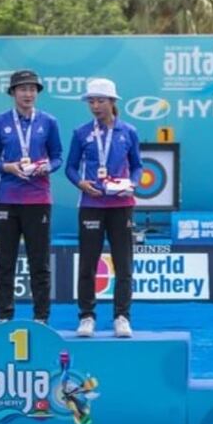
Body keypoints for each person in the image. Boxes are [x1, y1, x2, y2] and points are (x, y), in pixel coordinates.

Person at [65, 78, 142, 338]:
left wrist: (131, 183)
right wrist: (81, 183)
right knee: (87, 263)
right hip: (91, 204)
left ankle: (122, 316)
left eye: (100, 101)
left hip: (121, 205)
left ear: (112, 102)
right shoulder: (81, 132)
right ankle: (86, 316)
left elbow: (139, 166)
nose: (95, 106)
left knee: (124, 264)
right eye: (91, 101)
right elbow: (70, 167)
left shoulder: (128, 131)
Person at [0, 70, 63, 324]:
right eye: (23, 89)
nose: (28, 94)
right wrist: (7, 167)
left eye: (32, 89)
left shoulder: (49, 122)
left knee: (39, 262)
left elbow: (58, 157)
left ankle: (41, 316)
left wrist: (46, 167)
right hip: (6, 199)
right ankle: (4, 316)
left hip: (38, 199)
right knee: (5, 262)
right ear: (13, 93)